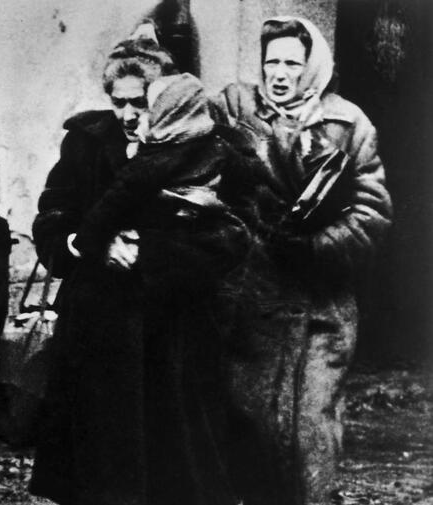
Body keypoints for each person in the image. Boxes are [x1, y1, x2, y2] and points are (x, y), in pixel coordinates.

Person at [29, 33, 266, 505]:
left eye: (138, 102)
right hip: (98, 332)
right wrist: (89, 246)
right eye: (117, 103)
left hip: (176, 331)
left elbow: (236, 234)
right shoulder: (86, 143)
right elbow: (52, 218)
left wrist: (152, 253)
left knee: (174, 467)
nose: (127, 115)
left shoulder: (208, 146)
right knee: (101, 468)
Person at [211, 17, 392, 505]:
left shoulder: (348, 125)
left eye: (293, 62)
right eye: (272, 62)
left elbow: (372, 214)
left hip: (319, 303)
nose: (280, 73)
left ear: (314, 68)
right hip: (248, 300)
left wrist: (316, 246)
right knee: (247, 422)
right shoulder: (234, 108)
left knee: (309, 424)